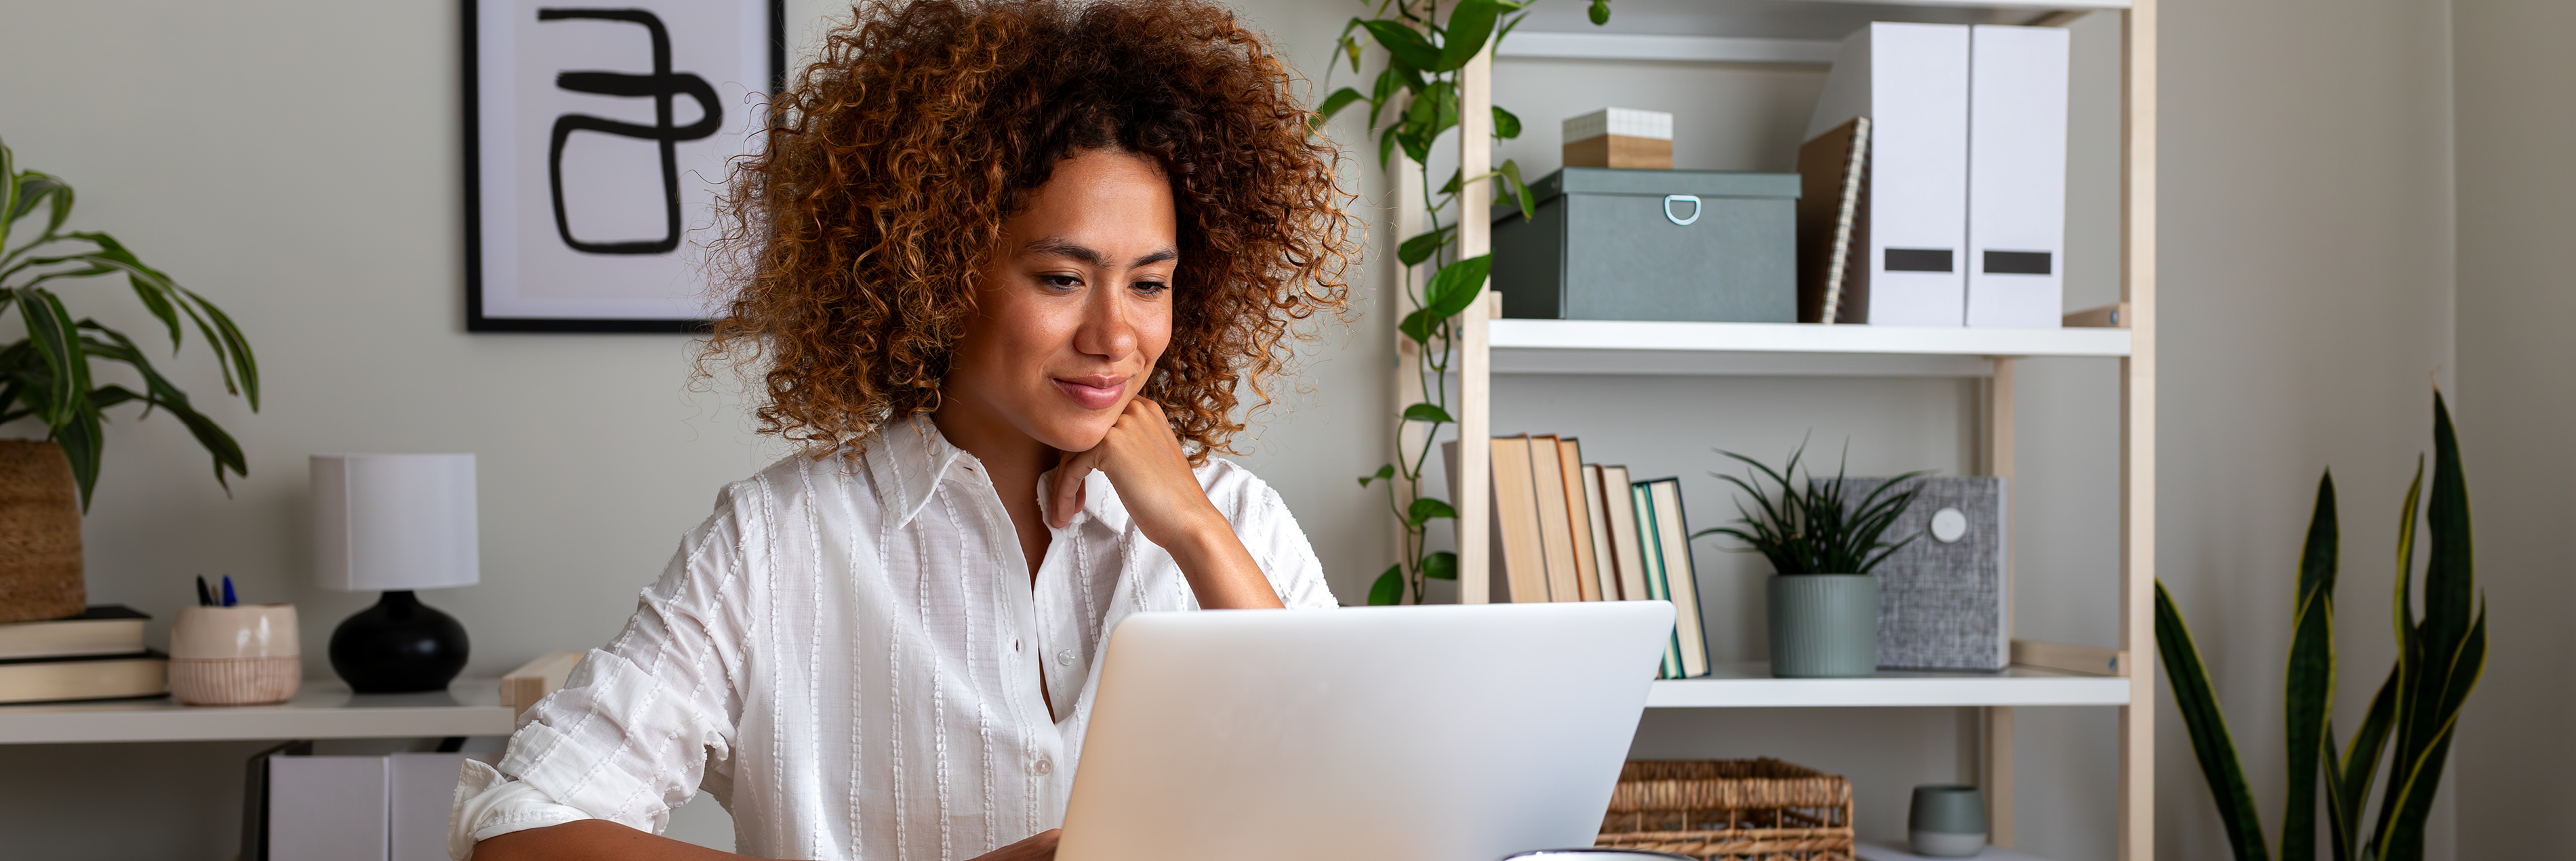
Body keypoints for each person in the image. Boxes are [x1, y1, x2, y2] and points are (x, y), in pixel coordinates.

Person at [447, 1, 1354, 858]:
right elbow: (524, 827)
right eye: (1060, 278)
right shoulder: (779, 542)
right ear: (938, 273)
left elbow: (1362, 812)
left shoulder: (1236, 519)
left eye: (1149, 283)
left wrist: (1195, 532)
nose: (1116, 336)